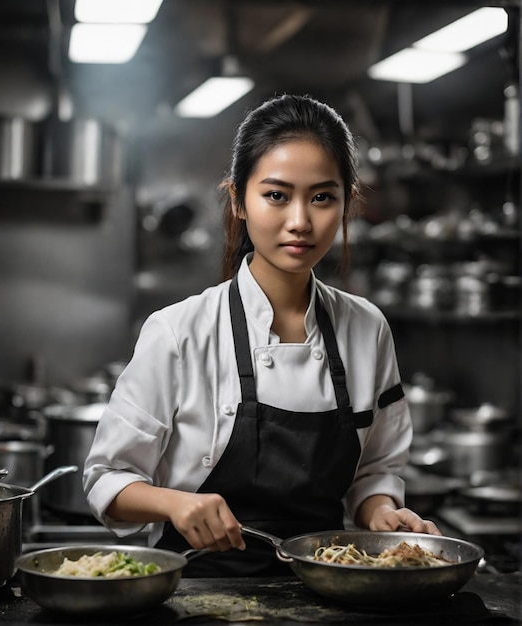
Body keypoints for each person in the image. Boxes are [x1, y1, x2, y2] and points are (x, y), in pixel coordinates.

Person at [83, 93, 441, 577]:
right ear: (238, 201)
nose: (300, 221)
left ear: (347, 204)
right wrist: (173, 504)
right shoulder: (179, 331)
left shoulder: (367, 328)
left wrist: (380, 512)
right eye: (276, 195)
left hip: (329, 589)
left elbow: (376, 471)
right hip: (195, 594)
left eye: (322, 197)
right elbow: (107, 478)